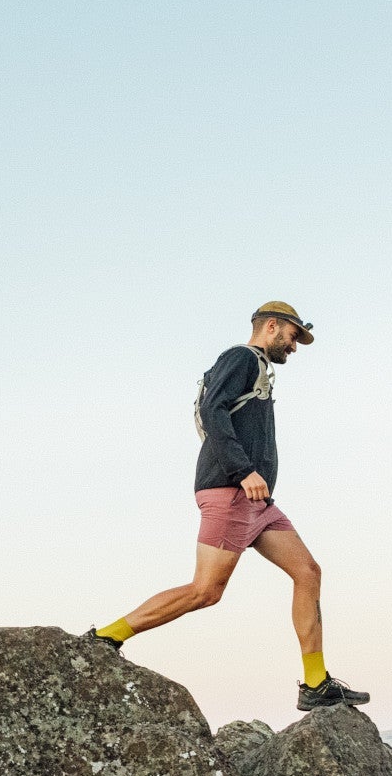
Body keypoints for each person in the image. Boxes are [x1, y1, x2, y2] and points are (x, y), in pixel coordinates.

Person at [83, 301, 368, 712]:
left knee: (307, 572)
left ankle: (315, 682)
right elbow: (211, 410)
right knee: (205, 591)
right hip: (232, 491)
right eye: (292, 336)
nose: (294, 346)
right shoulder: (241, 358)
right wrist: (243, 470)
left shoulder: (258, 369)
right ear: (272, 326)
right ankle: (106, 637)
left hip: (258, 502)